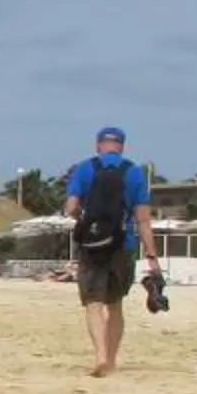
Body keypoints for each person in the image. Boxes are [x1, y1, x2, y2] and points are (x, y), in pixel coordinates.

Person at [62, 125, 157, 377]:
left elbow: (71, 207)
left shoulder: (85, 168)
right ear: (122, 147)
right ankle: (112, 360)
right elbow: (143, 220)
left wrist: (86, 220)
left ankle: (100, 356)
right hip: (122, 245)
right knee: (115, 305)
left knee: (93, 304)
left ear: (98, 145)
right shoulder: (134, 172)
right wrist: (151, 255)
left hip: (92, 246)